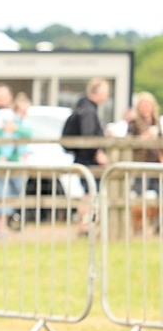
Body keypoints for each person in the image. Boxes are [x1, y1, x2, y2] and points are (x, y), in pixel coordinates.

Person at [0, 86, 32, 236]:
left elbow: (29, 133)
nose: (0, 100)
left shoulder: (16, 116)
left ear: (10, 97)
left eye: (3, 96)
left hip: (16, 162)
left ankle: (5, 223)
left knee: (15, 192)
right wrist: (3, 143)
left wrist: (16, 128)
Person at [62, 78, 110, 234]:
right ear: (97, 92)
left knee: (88, 192)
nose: (107, 95)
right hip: (88, 159)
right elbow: (88, 136)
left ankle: (85, 224)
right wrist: (98, 152)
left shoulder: (84, 107)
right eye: (105, 91)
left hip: (83, 157)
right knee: (91, 192)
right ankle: (85, 226)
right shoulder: (89, 110)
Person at [125, 91, 161, 195]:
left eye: (148, 104)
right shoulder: (134, 122)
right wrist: (144, 137)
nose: (146, 107)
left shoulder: (156, 121)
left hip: (155, 163)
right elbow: (128, 141)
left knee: (158, 193)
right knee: (139, 192)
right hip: (140, 163)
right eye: (143, 105)